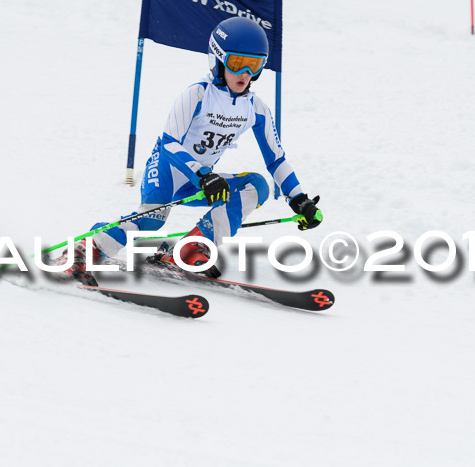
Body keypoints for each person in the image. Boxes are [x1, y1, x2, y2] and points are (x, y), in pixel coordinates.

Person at [56, 16, 322, 285]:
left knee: (256, 186)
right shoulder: (196, 94)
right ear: (218, 60)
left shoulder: (256, 108)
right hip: (167, 170)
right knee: (151, 222)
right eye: (237, 64)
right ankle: (84, 250)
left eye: (254, 66)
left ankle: (189, 250)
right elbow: (170, 142)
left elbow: (276, 159)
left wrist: (299, 199)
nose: (245, 74)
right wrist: (203, 175)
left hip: (202, 180)